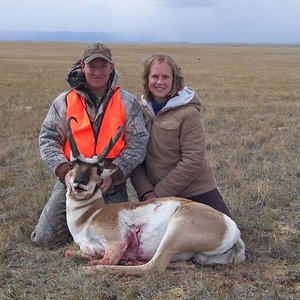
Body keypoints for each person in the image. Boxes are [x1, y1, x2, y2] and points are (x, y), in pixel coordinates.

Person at [31, 43, 149, 248]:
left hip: (109, 183)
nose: (97, 72)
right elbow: (48, 139)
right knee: (45, 239)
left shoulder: (127, 102)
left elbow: (138, 141)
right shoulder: (64, 101)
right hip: (73, 181)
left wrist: (115, 174)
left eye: (103, 66)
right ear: (82, 67)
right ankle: (71, 220)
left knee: (121, 241)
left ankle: (81, 226)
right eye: (92, 66)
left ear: (111, 68)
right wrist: (65, 172)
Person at [131, 53, 232, 218]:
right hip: (154, 194)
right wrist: (146, 192)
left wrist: (159, 194)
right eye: (155, 76)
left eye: (165, 77)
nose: (159, 82)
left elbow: (193, 160)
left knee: (226, 233)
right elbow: (135, 158)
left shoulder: (188, 113)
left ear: (174, 80)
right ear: (146, 79)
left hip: (195, 189)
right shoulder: (139, 111)